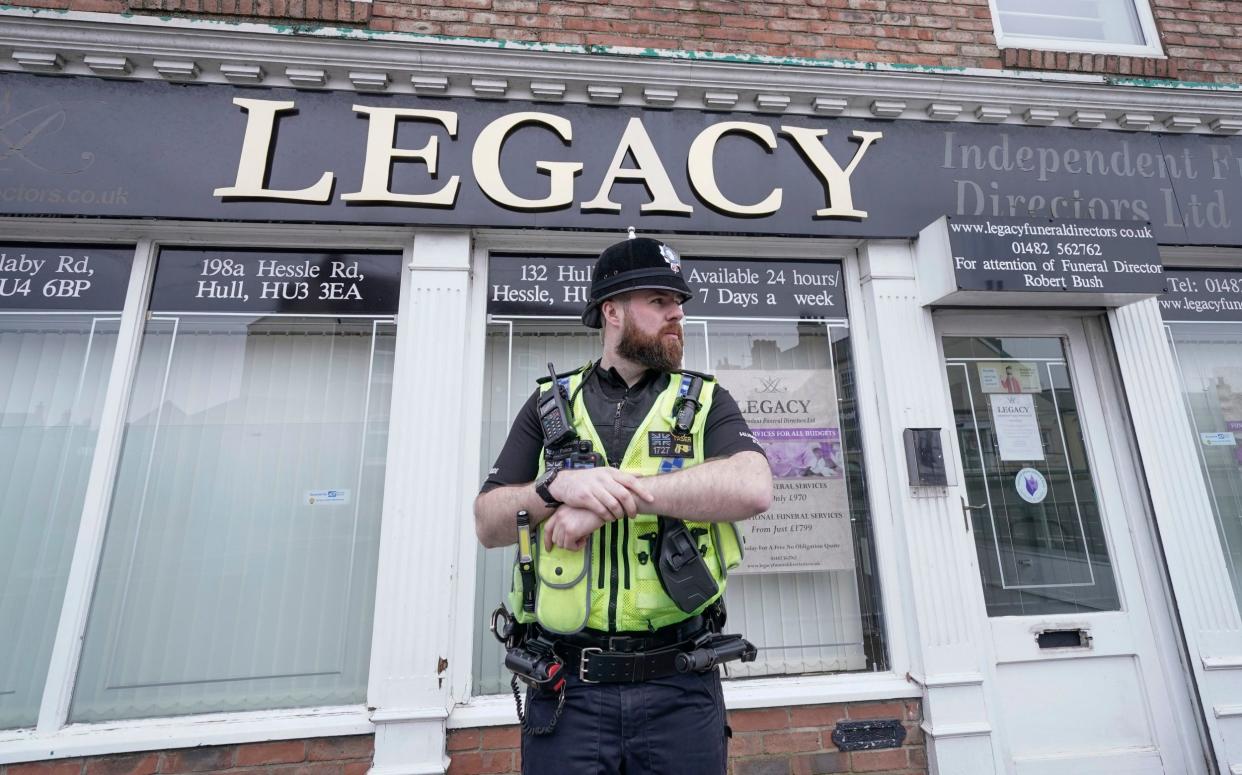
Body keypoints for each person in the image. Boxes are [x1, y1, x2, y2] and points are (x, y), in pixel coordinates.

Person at [474, 235, 773, 775]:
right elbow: (489, 523)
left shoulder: (705, 400)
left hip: (680, 685)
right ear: (611, 311)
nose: (676, 313)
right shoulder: (549, 402)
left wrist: (609, 499)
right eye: (659, 300)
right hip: (567, 689)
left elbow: (753, 486)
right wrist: (552, 489)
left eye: (677, 302)